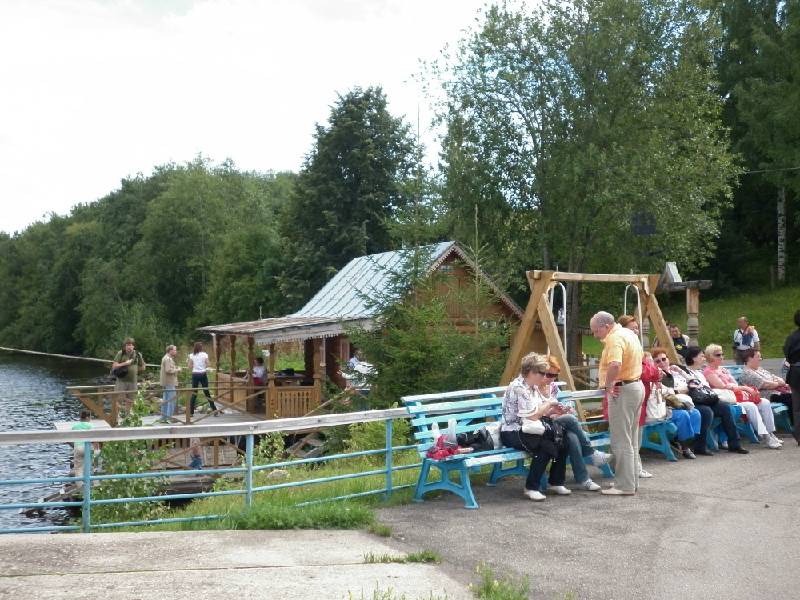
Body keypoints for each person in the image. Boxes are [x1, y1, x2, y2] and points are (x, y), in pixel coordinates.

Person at [500, 352, 571, 502]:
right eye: (542, 373)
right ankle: (531, 488)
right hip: (513, 431)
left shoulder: (532, 386)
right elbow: (532, 416)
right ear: (532, 372)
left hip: (529, 428)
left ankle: (556, 482)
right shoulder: (519, 388)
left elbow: (539, 413)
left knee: (562, 440)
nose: (545, 377)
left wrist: (554, 411)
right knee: (545, 447)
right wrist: (550, 403)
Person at [590, 311, 644, 496]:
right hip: (635, 385)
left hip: (623, 389)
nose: (595, 335)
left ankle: (624, 485)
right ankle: (631, 481)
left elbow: (614, 364)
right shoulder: (629, 333)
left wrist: (608, 385)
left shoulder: (614, 338)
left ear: (606, 326)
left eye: (596, 331)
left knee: (621, 440)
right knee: (631, 438)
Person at [539, 356, 611, 492]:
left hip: (557, 425)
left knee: (572, 438)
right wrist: (555, 414)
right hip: (541, 425)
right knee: (571, 420)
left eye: (555, 375)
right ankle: (591, 454)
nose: (552, 378)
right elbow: (535, 413)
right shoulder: (533, 388)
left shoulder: (553, 387)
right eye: (549, 375)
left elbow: (565, 404)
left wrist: (566, 409)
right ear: (540, 371)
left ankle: (584, 479)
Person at [703, 344, 780, 449]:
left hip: (737, 396)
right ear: (710, 356)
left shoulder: (723, 369)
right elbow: (723, 386)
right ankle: (766, 436)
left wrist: (737, 387)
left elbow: (734, 384)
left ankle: (770, 433)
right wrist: (745, 388)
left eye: (722, 354)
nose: (721, 357)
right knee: (751, 406)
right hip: (727, 399)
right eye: (718, 355)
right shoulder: (708, 372)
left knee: (765, 402)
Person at [682, 346, 748, 454]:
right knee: (706, 411)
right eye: (701, 356)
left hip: (706, 399)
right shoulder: (685, 372)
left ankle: (735, 444)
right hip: (695, 401)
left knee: (725, 408)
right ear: (694, 358)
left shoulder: (699, 373)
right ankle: (700, 446)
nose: (704, 358)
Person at [617, 315, 655, 478]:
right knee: (631, 438)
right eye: (632, 328)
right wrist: (653, 370)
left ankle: (634, 468)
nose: (636, 331)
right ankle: (632, 470)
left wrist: (653, 369)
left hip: (639, 399)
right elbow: (645, 372)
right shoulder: (625, 349)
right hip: (628, 396)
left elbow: (650, 371)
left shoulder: (635, 347)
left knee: (635, 437)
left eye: (637, 328)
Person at [651, 348, 703, 458]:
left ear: (668, 359)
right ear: (653, 364)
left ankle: (687, 443)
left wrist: (680, 371)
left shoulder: (675, 372)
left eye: (664, 359)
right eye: (658, 361)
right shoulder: (657, 375)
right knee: (683, 415)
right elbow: (666, 393)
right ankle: (685, 446)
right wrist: (681, 390)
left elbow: (694, 382)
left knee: (695, 413)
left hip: (682, 403)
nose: (662, 363)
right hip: (665, 408)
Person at [739, 349, 794, 424]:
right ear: (749, 358)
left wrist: (778, 382)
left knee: (794, 395)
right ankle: (795, 423)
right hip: (768, 396)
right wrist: (779, 383)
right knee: (792, 398)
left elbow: (775, 378)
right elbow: (766, 384)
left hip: (777, 392)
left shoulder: (760, 369)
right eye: (758, 357)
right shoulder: (747, 373)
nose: (760, 359)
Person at [111, 338, 145, 412]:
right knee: (118, 400)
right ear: (125, 346)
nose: (129, 347)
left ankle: (128, 416)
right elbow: (114, 366)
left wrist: (135, 370)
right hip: (121, 381)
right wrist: (125, 363)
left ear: (133, 346)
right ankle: (116, 416)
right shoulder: (121, 353)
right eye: (127, 345)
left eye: (130, 345)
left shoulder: (138, 354)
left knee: (131, 400)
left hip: (133, 381)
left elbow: (143, 367)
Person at [783, 309, 800, 445]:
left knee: (797, 407)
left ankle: (799, 435)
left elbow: (787, 355)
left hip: (795, 373)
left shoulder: (791, 337)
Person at [189, 341, 217, 416]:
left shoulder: (191, 355)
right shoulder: (204, 354)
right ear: (201, 348)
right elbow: (208, 364)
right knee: (207, 392)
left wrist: (195, 366)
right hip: (202, 374)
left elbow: (189, 366)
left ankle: (191, 412)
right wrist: (203, 367)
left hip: (195, 374)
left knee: (194, 393)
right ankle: (214, 410)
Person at [159, 345, 180, 423]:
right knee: (171, 400)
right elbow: (168, 370)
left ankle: (164, 418)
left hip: (167, 382)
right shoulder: (167, 359)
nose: (176, 351)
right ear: (170, 351)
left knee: (166, 400)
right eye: (175, 350)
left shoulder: (167, 358)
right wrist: (177, 370)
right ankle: (169, 418)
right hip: (169, 382)